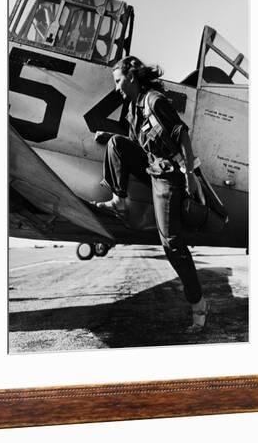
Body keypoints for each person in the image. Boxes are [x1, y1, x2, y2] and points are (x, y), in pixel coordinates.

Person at [94, 56, 208, 333]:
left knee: (171, 243)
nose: (117, 87)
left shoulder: (155, 100)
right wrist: (107, 136)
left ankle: (198, 304)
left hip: (168, 175)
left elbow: (182, 134)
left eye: (119, 81)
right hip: (150, 166)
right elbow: (136, 144)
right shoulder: (132, 109)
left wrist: (190, 177)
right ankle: (119, 200)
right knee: (116, 144)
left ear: (131, 78)